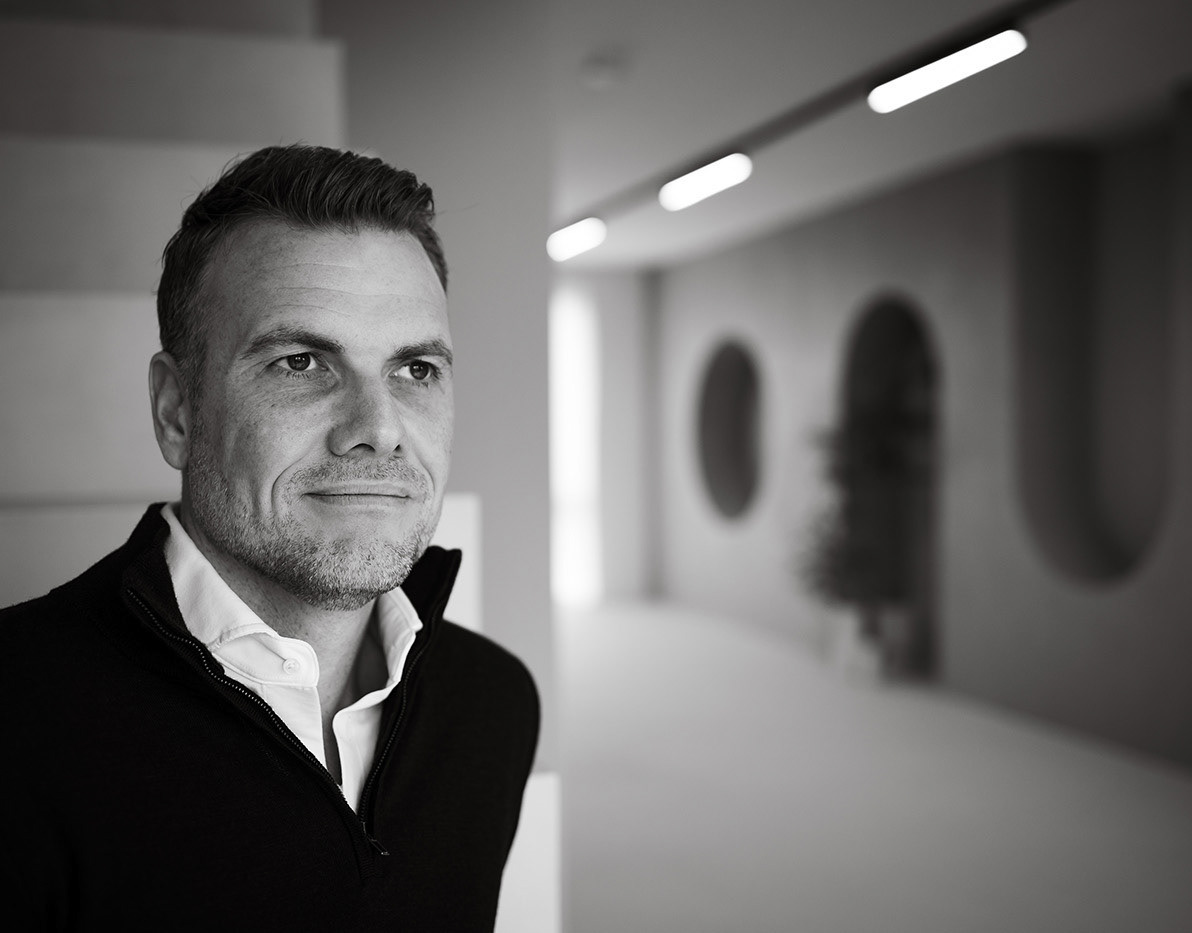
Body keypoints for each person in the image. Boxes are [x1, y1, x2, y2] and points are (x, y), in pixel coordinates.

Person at [0, 145, 540, 931]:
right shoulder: (16, 722)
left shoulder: (492, 705)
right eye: (301, 362)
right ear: (177, 412)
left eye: (415, 369)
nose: (379, 428)